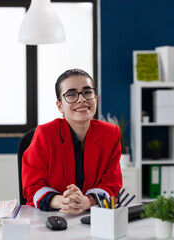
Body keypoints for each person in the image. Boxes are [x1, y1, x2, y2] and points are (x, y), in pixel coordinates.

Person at [22, 69, 122, 214]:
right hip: (52, 215)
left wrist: (86, 201)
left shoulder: (110, 134)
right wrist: (64, 201)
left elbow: (111, 183)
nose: (81, 99)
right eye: (71, 94)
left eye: (87, 92)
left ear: (96, 97)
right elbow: (32, 186)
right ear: (60, 106)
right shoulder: (45, 134)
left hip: (95, 216)